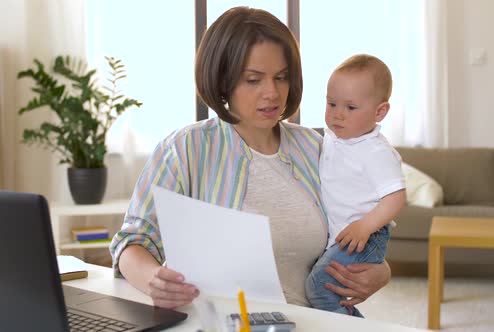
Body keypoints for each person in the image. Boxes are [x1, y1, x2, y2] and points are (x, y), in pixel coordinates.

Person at [110, 7, 391, 310]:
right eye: (253, 80)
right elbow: (132, 242)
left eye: (281, 77)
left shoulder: (317, 148)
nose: (272, 93)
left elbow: (368, 223)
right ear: (222, 81)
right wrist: (153, 279)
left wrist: (382, 272)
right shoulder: (184, 150)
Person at [305, 54, 406, 317]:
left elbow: (396, 198)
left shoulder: (375, 151)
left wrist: (365, 226)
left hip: (367, 235)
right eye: (331, 103)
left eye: (351, 108)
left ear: (379, 112)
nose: (338, 114)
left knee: (318, 287)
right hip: (341, 236)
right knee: (323, 289)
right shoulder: (331, 138)